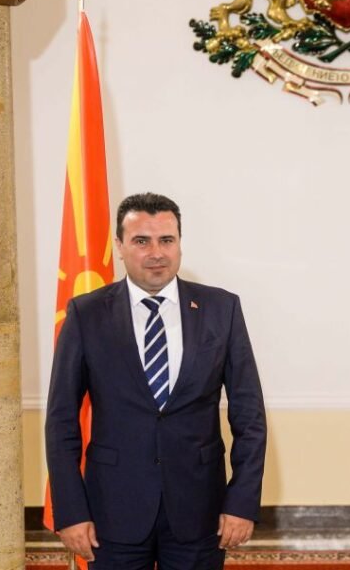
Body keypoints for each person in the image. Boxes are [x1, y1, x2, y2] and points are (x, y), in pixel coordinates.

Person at [46, 193, 267, 569]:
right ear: (119, 246)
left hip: (200, 511)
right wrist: (70, 510)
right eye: (141, 241)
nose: (156, 253)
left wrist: (242, 501)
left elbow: (249, 417)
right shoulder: (86, 315)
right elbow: (61, 421)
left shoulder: (221, 309)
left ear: (180, 243)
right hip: (112, 512)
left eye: (167, 240)